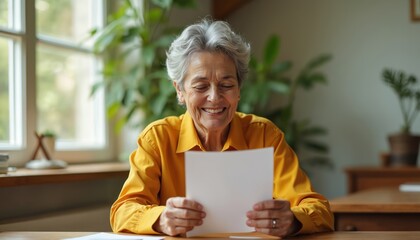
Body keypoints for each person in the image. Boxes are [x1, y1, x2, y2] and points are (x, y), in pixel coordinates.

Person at [110, 18, 334, 238]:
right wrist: (161, 219)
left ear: (239, 89)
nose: (214, 98)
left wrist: (292, 220)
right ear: (179, 90)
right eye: (201, 86)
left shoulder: (265, 135)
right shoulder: (157, 138)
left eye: (226, 85)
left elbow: (319, 210)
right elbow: (122, 211)